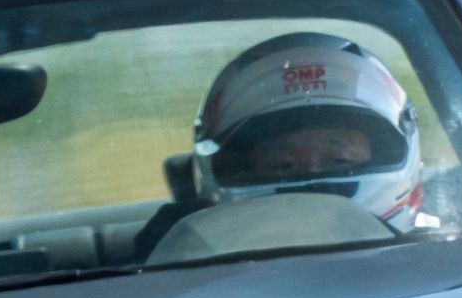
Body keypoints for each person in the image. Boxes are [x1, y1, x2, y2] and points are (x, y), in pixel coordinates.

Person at [136, 32, 425, 259]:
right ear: (234, 169)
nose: (314, 187)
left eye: (340, 159)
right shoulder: (179, 253)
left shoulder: (449, 256)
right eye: (283, 165)